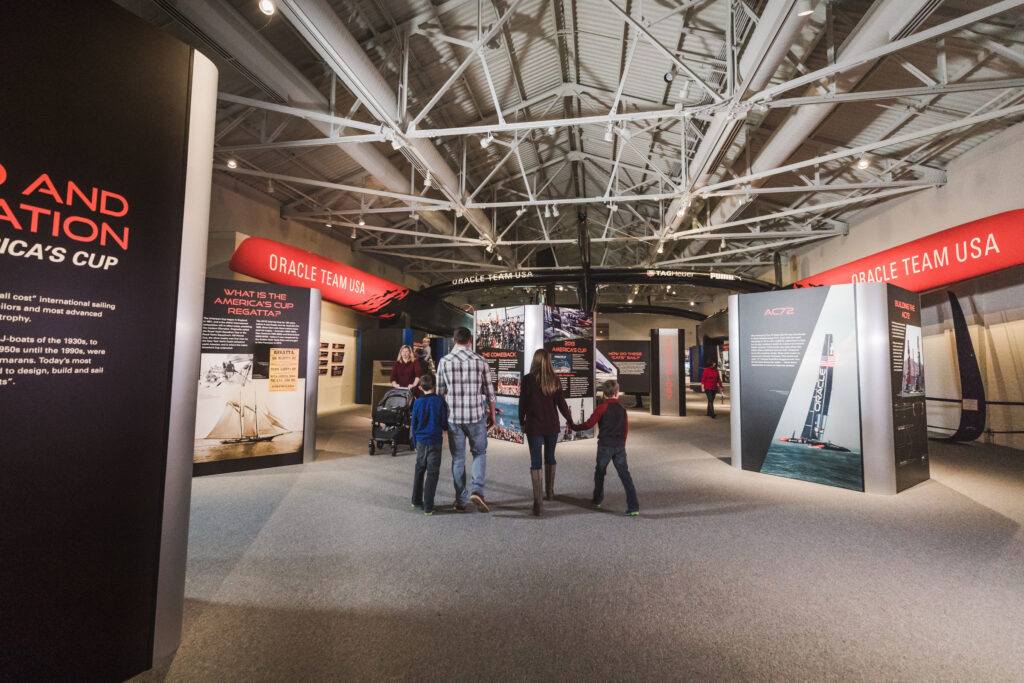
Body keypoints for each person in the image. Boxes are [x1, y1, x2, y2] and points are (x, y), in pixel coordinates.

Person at [436, 326, 496, 512]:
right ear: (470, 340)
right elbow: (490, 393)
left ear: (453, 340)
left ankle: (461, 500)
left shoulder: (444, 361)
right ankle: (477, 491)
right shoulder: (480, 361)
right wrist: (492, 415)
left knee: (458, 459)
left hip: (454, 418)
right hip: (476, 416)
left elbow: (438, 393)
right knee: (479, 453)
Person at [518, 349, 574, 516]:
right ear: (548, 361)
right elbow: (562, 404)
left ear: (534, 361)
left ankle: (538, 503)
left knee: (536, 461)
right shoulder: (554, 379)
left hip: (534, 426)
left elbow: (523, 404)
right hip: (552, 426)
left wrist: (521, 422)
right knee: (550, 457)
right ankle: (550, 492)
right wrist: (570, 420)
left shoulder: (527, 380)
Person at [572, 379, 640, 516]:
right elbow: (625, 429)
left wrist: (574, 427)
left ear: (604, 393)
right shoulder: (622, 409)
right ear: (617, 392)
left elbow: (588, 424)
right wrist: (622, 444)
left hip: (605, 446)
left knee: (600, 472)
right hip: (619, 446)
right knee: (625, 475)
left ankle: (597, 499)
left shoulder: (601, 408)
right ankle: (634, 506)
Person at [410, 374, 447, 516]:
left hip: (420, 441)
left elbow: (414, 425)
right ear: (435, 386)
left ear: (420, 387)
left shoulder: (417, 402)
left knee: (419, 469)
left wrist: (414, 442)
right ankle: (428, 506)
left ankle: (416, 500)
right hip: (435, 441)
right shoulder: (439, 401)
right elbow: (443, 423)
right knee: (432, 472)